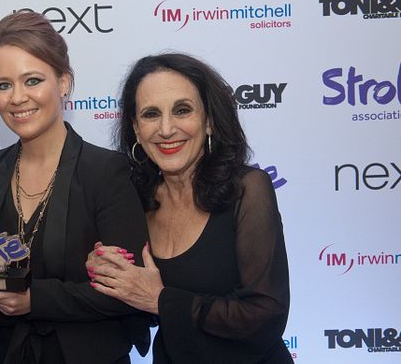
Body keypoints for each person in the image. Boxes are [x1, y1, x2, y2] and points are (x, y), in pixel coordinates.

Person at [0, 11, 151, 364]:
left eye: (32, 80)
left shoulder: (105, 172)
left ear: (63, 82)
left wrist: (35, 299)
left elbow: (128, 291)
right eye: (3, 85)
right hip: (11, 354)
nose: (17, 97)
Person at [86, 53, 293, 363]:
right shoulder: (135, 201)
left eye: (182, 110)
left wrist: (161, 300)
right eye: (151, 114)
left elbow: (265, 315)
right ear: (136, 129)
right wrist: (107, 273)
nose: (166, 129)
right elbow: (138, 315)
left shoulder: (248, 190)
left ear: (208, 121)